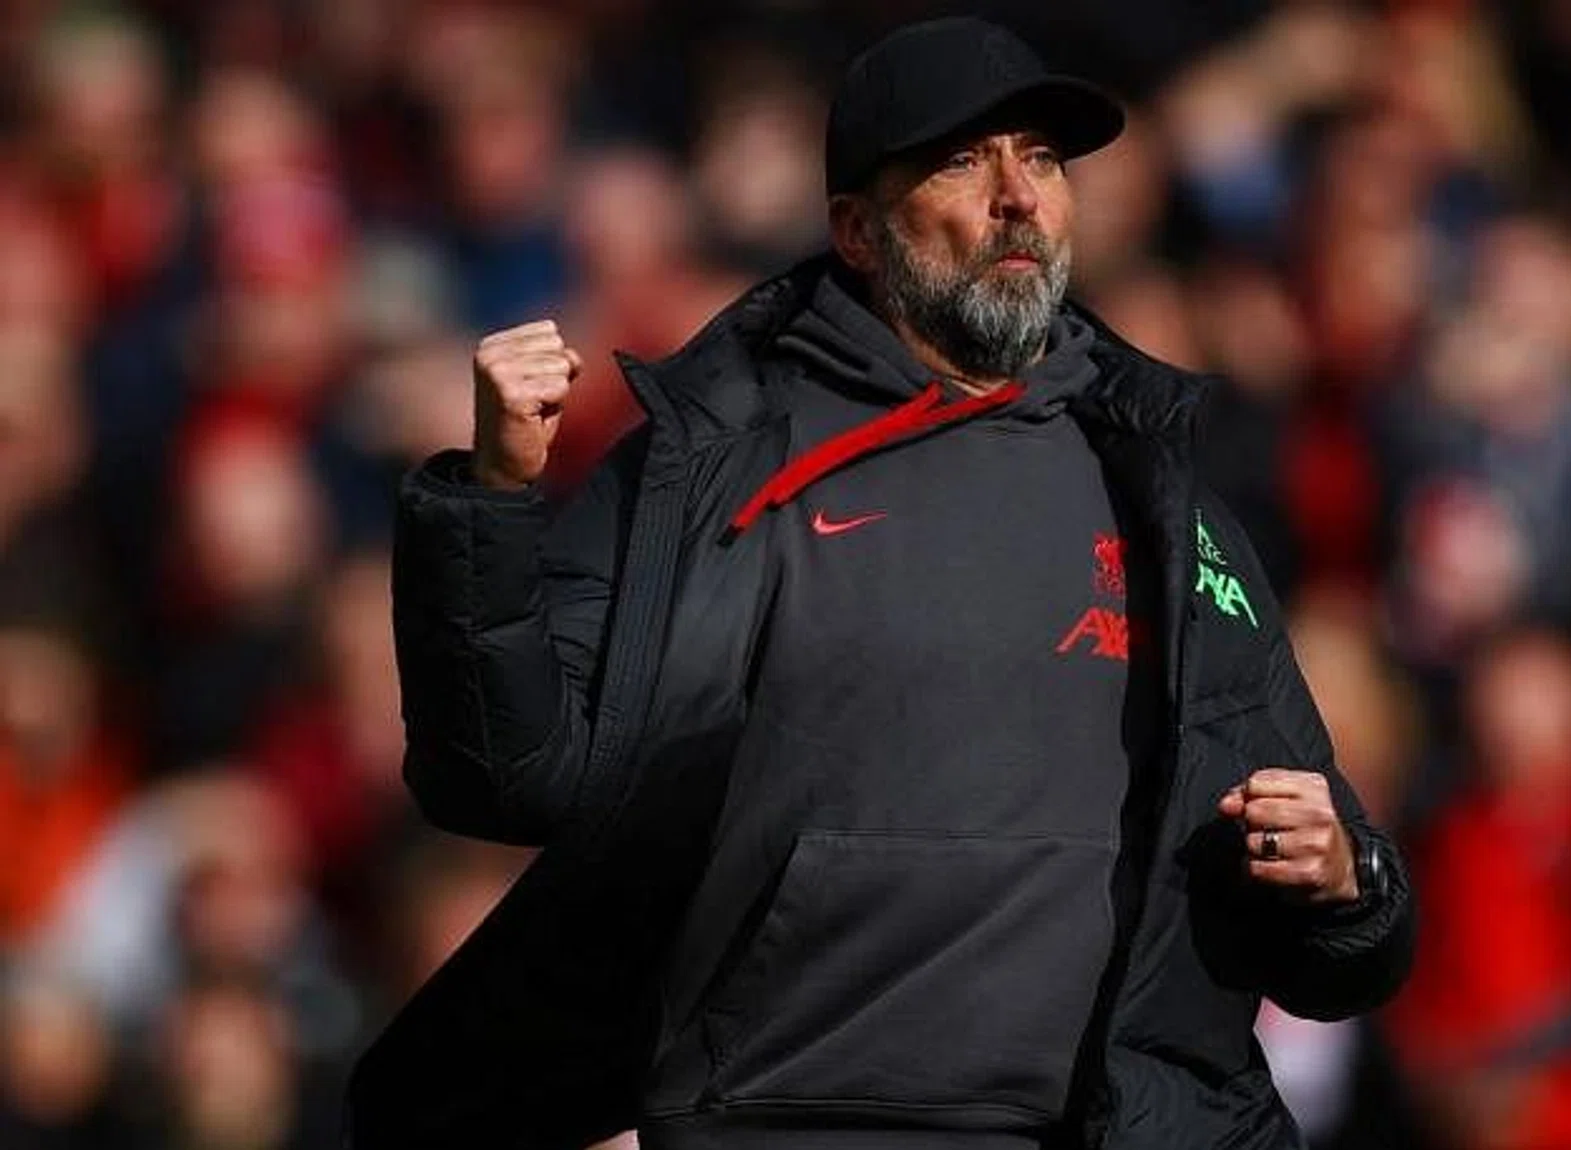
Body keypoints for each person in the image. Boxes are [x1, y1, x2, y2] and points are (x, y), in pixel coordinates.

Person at [347, 18, 1415, 1150]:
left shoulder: (1159, 488)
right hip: (777, 1117)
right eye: (962, 161)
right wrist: (493, 497)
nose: (1018, 196)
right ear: (857, 231)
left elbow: (1339, 935)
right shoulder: (713, 463)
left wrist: (1342, 879)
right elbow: (505, 776)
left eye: (1042, 159)